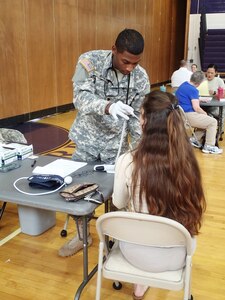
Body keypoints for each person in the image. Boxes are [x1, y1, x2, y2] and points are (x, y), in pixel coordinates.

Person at [58, 29, 150, 257]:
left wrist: (138, 154)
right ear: (114, 50)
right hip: (86, 142)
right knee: (76, 193)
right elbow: (79, 98)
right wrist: (108, 106)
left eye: (135, 63)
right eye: (126, 61)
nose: (130, 68)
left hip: (116, 147)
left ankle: (120, 241)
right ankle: (82, 236)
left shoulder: (141, 77)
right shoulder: (89, 61)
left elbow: (137, 121)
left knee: (122, 197)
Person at [112, 90, 206, 300]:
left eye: (141, 115)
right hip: (177, 255)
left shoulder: (127, 161)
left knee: (137, 224)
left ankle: (139, 285)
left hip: (134, 254)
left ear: (145, 123)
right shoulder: (188, 163)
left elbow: (118, 203)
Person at [175, 71, 223, 154]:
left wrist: (198, 98)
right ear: (199, 83)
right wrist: (205, 114)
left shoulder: (183, 85)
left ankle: (194, 139)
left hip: (181, 115)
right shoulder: (193, 90)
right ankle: (209, 146)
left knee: (204, 121)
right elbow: (196, 108)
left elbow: (186, 97)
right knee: (212, 121)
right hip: (189, 116)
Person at [204, 64, 225, 130]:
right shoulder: (203, 80)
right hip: (204, 104)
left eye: (212, 73)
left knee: (211, 114)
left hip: (216, 106)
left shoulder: (219, 81)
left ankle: (214, 130)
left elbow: (224, 94)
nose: (209, 74)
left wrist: (214, 93)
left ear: (215, 73)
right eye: (208, 72)